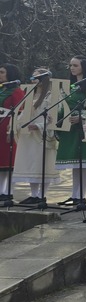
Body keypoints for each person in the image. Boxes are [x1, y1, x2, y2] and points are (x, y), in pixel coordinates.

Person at [55, 56, 86, 205]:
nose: (72, 68)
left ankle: (81, 195)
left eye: (75, 65)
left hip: (85, 130)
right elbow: (65, 107)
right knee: (75, 164)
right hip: (70, 129)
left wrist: (82, 117)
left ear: (84, 67)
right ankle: (74, 195)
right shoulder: (72, 87)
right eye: (70, 65)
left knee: (84, 162)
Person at [13, 67, 59, 205]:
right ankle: (33, 194)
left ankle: (42, 195)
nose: (33, 79)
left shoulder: (51, 94)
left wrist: (39, 126)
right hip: (27, 135)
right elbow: (22, 113)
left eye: (37, 77)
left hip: (42, 135)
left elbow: (53, 117)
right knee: (31, 165)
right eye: (32, 77)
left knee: (42, 165)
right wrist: (17, 124)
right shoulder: (29, 94)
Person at [0, 64, 26, 203]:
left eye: (2, 72)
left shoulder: (16, 91)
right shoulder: (1, 89)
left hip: (8, 127)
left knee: (9, 161)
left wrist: (13, 129)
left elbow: (20, 110)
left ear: (10, 74)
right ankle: (1, 190)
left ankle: (8, 191)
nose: (0, 74)